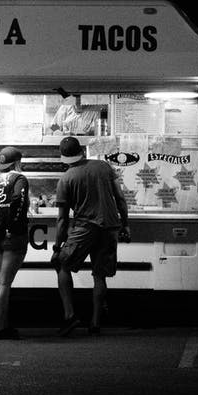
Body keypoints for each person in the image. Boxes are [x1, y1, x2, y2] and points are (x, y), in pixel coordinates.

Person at [51, 136, 131, 336]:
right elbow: (120, 199)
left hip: (84, 227)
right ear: (82, 151)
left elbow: (62, 220)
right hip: (110, 226)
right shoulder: (104, 167)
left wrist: (57, 246)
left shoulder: (66, 179)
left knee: (62, 264)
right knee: (99, 275)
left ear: (64, 157)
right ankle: (95, 322)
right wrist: (126, 225)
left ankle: (70, 316)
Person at [0, 146, 30, 340]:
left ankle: (3, 325)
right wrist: (14, 228)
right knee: (4, 283)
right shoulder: (19, 179)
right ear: (17, 162)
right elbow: (18, 201)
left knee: (2, 282)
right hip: (12, 236)